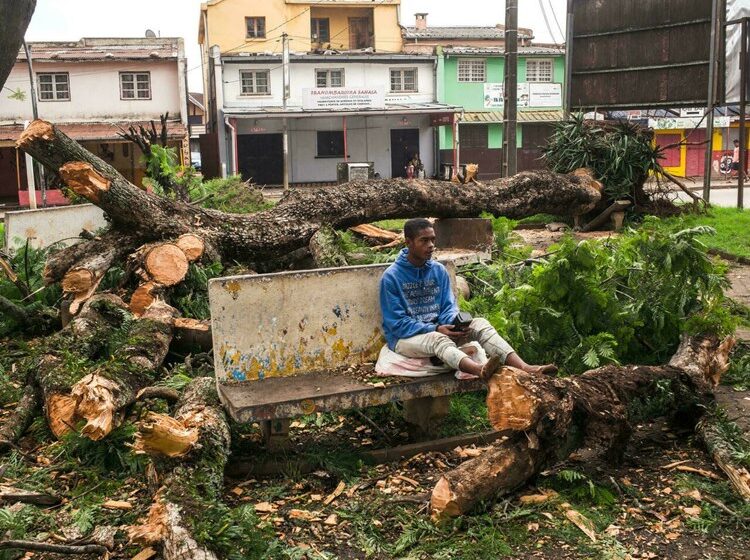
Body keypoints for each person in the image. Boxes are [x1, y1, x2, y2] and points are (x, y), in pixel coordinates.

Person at [379, 218, 558, 380]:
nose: (431, 245)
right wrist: (435, 328)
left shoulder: (438, 271)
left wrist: (454, 324)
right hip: (405, 339)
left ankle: (525, 368)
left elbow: (448, 307)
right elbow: (397, 323)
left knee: (480, 324)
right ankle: (479, 370)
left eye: (433, 239)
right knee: (437, 339)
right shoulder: (392, 277)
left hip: (439, 331)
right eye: (424, 240)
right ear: (408, 242)